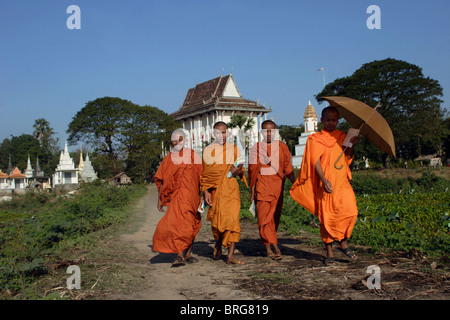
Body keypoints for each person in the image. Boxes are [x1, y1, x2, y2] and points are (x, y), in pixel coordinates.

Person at [290, 107, 359, 265]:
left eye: (334, 120)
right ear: (321, 120)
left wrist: (352, 145)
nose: (331, 123)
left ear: (338, 120)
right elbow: (315, 162)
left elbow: (347, 158)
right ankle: (329, 251)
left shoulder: (342, 136)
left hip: (342, 182)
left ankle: (342, 242)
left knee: (351, 211)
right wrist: (324, 179)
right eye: (328, 120)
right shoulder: (315, 139)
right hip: (326, 183)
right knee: (327, 217)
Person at [153, 129, 203, 267]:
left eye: (180, 139)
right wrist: (159, 200)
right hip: (176, 199)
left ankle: (188, 254)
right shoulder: (168, 159)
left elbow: (202, 176)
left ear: (185, 140)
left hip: (192, 197)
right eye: (174, 140)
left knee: (192, 225)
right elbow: (161, 179)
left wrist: (204, 195)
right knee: (177, 225)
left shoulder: (193, 156)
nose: (177, 142)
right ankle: (180, 254)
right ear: (171, 142)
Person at [248, 120, 295, 260]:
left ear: (275, 131)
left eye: (272, 131)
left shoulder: (282, 147)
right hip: (262, 188)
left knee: (273, 218)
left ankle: (269, 244)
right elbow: (252, 172)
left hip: (277, 188)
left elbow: (288, 168)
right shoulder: (256, 148)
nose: (269, 133)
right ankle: (273, 247)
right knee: (264, 219)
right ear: (261, 132)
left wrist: (296, 183)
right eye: (266, 131)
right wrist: (252, 192)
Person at [201, 121, 246, 265]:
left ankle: (230, 256)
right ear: (213, 134)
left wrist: (238, 171)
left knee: (233, 221)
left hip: (231, 189)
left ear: (228, 132)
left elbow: (241, 170)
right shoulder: (208, 151)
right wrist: (206, 191)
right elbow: (206, 174)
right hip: (216, 191)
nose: (222, 135)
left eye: (224, 132)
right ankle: (219, 243)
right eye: (218, 132)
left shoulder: (234, 149)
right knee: (217, 222)